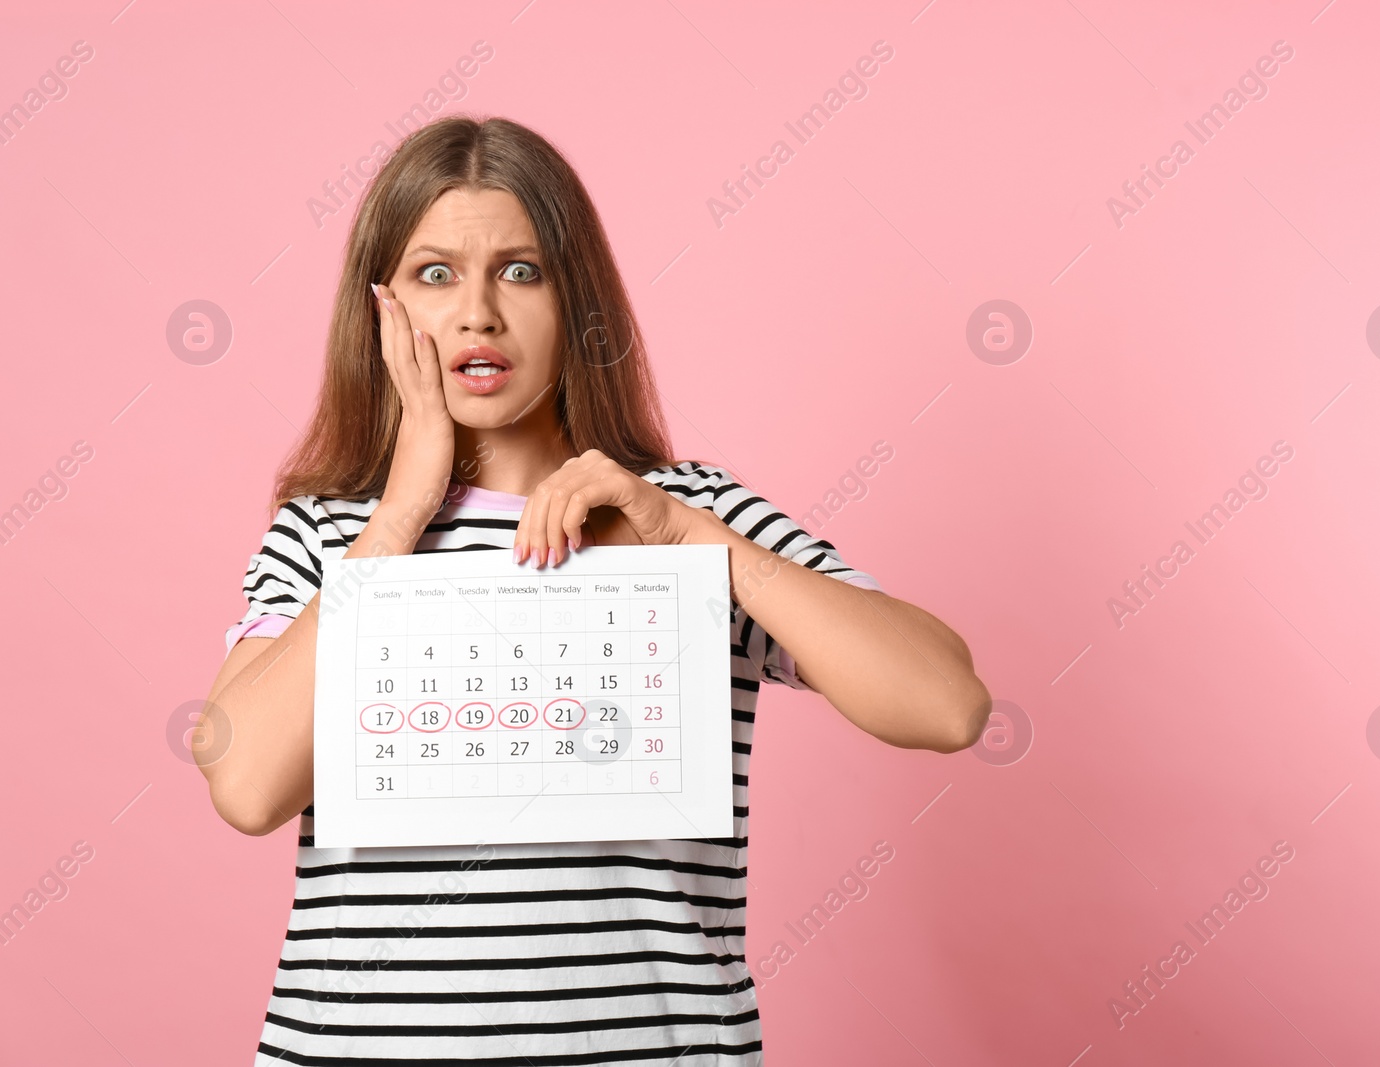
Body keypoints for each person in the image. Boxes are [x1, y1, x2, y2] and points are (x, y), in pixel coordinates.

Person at [197, 115, 990, 1064]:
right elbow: (245, 786)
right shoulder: (333, 533)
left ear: (578, 303)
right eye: (435, 273)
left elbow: (948, 704)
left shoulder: (686, 515)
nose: (478, 314)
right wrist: (404, 508)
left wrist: (688, 535)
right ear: (382, 307)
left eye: (522, 271)